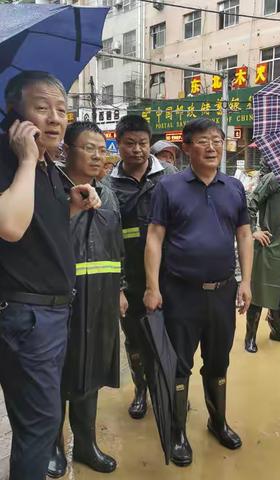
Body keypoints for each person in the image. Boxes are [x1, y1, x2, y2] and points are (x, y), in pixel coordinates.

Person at [0, 71, 100, 480]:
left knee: (37, 420)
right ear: (15, 117)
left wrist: (70, 207)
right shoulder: (12, 159)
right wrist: (25, 159)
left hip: (51, 313)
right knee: (39, 427)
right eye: (42, 108)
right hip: (28, 315)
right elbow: (10, 225)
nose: (56, 118)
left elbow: (36, 229)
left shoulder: (45, 167)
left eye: (62, 109)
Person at [144, 118, 253, 467]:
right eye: (204, 141)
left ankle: (217, 421)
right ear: (187, 147)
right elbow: (155, 239)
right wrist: (152, 286)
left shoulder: (234, 187)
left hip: (223, 291)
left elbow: (245, 236)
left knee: (219, 361)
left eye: (217, 141)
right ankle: (177, 431)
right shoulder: (169, 188)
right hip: (181, 292)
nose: (212, 147)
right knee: (178, 364)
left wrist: (246, 282)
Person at [47, 122, 126, 478]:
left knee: (90, 372)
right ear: (67, 150)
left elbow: (115, 245)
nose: (98, 155)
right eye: (89, 148)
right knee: (57, 374)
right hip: (61, 298)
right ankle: (54, 446)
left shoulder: (107, 193)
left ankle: (86, 444)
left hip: (102, 298)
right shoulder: (50, 189)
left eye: (101, 148)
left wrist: (120, 289)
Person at [104, 115, 176, 420]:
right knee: (134, 340)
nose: (137, 150)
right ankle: (141, 390)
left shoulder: (170, 176)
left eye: (142, 143)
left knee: (171, 337)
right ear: (118, 144)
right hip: (130, 277)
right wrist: (117, 286)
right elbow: (106, 238)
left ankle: (171, 389)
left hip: (169, 275)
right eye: (130, 143)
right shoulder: (107, 185)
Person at [245, 161, 280, 353]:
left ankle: (278, 331)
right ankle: (250, 337)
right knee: (259, 291)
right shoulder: (275, 178)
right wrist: (254, 230)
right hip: (269, 245)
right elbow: (250, 204)